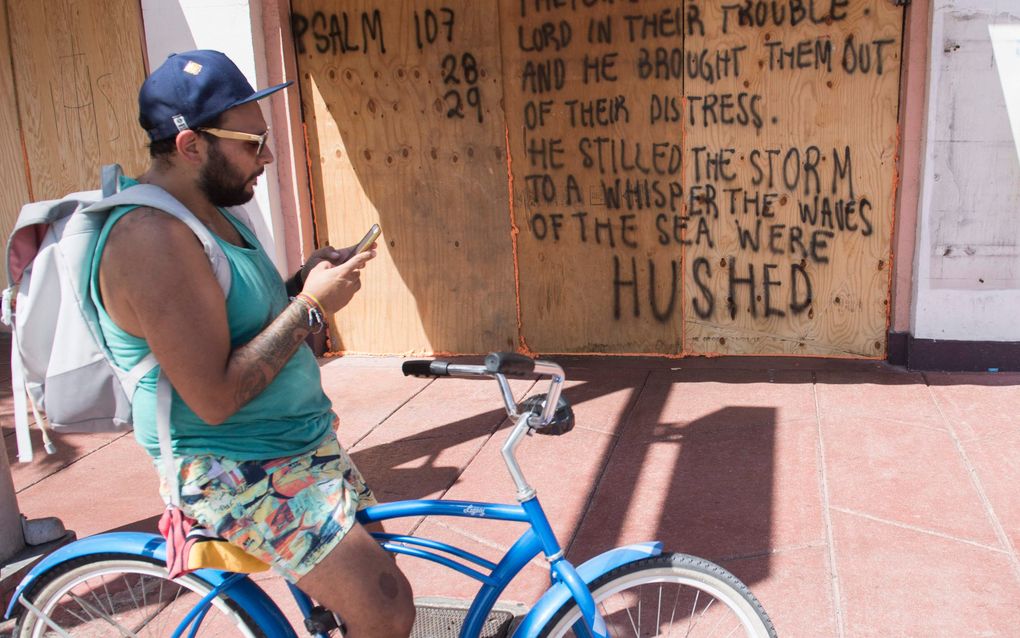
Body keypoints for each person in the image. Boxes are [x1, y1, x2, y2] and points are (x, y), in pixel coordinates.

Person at [90, 49, 415, 637]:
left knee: (378, 589)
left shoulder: (213, 208)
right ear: (191, 146)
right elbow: (213, 396)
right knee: (385, 604)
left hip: (294, 444)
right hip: (233, 463)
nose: (266, 157)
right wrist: (312, 305)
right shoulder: (151, 240)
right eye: (251, 143)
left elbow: (240, 323)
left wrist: (301, 282)